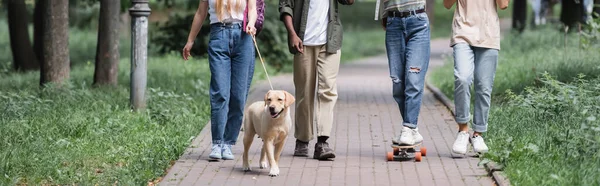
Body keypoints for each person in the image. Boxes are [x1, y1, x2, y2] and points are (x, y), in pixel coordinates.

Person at [182, 0, 258, 160]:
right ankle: (217, 143)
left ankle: (228, 143)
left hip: (243, 38)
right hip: (219, 37)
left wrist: (251, 23)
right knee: (220, 93)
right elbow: (200, 13)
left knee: (238, 96)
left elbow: (252, 9)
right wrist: (190, 41)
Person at [279, 0, 353, 160]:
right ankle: (303, 139)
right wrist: (292, 33)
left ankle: (322, 142)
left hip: (330, 42)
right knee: (304, 93)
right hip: (303, 42)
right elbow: (285, 6)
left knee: (327, 90)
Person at [443, 0, 509, 154]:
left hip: (489, 35)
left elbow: (503, 4)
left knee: (483, 86)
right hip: (463, 32)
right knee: (462, 78)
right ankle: (463, 131)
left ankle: (478, 133)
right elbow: (447, 4)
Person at [377, 0, 431, 146]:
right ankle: (412, 129)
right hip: (393, 22)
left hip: (418, 21)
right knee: (398, 82)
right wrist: (384, 14)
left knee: (413, 79)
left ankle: (408, 127)